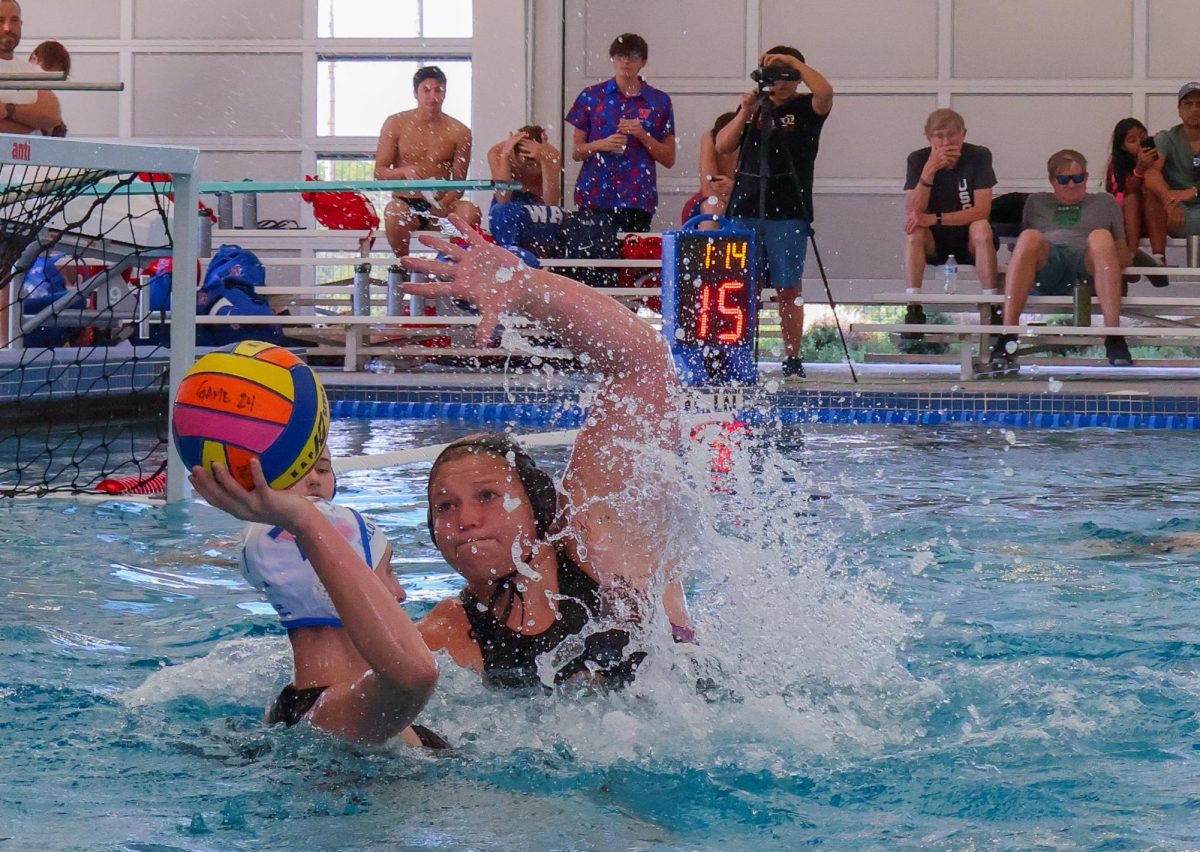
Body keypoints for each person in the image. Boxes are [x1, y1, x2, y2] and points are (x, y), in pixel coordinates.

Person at [401, 215, 693, 690]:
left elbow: (644, 362)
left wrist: (526, 288)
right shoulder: (442, 637)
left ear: (538, 508)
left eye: (488, 496)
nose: (465, 519)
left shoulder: (597, 543)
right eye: (445, 506)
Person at [189, 445, 441, 745]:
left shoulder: (294, 709)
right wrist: (304, 519)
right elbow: (415, 676)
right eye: (387, 571)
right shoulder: (339, 716)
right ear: (342, 586)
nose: (399, 593)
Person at [716, 45, 833, 380]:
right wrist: (744, 111)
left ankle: (793, 359)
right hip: (746, 208)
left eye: (787, 75)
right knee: (742, 287)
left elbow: (825, 91)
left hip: (789, 210)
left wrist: (794, 63)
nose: (780, 82)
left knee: (788, 289)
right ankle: (736, 355)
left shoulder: (807, 108)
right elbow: (723, 144)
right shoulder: (755, 108)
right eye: (774, 74)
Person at [988, 149, 1133, 372]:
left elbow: (1123, 250)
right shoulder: (1036, 202)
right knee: (1028, 237)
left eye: (1078, 178)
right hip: (1049, 263)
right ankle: (1007, 335)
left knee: (1101, 237)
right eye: (1064, 179)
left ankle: (1113, 335)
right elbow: (1027, 251)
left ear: (1086, 177)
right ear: (1052, 180)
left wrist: (1112, 265)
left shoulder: (1106, 202)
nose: (1071, 185)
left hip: (1088, 266)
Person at [566, 33, 676, 233]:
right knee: (594, 258)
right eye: (619, 56)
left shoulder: (659, 101)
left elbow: (669, 158)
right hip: (596, 193)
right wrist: (601, 144)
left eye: (633, 57)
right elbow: (576, 152)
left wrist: (642, 135)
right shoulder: (592, 96)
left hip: (637, 196)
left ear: (643, 62)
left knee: (633, 260)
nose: (625, 62)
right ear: (612, 59)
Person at [902, 109, 998, 335]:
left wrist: (934, 218)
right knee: (914, 231)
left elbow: (982, 210)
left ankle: (992, 305)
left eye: (952, 135)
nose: (946, 142)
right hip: (935, 240)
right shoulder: (917, 159)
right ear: (929, 138)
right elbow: (913, 212)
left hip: (969, 239)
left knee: (981, 227)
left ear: (963, 135)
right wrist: (929, 171)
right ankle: (913, 306)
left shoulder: (979, 156)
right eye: (939, 136)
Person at [374, 65, 480, 257]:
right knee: (394, 213)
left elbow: (459, 182)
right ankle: (403, 265)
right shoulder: (396, 124)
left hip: (442, 205)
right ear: (416, 93)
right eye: (426, 90)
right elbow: (379, 173)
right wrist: (403, 171)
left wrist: (443, 204)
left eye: (438, 90)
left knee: (470, 212)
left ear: (445, 93)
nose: (433, 96)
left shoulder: (459, 132)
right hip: (406, 204)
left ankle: (453, 263)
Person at [1105, 117, 1168, 284]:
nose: (1140, 142)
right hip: (1128, 219)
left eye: (1142, 136)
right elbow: (1119, 196)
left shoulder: (1161, 156)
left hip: (1156, 218)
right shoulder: (1117, 163)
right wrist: (1138, 170)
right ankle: (1131, 255)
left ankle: (1158, 258)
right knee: (1131, 199)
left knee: (1150, 192)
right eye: (1132, 140)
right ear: (1122, 146)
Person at [486, 125, 564, 256]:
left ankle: (544, 257)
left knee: (559, 216)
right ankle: (509, 253)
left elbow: (551, 203)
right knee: (500, 211)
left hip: (538, 207)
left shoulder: (551, 155)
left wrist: (545, 162)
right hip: (509, 207)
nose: (529, 168)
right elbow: (502, 198)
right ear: (514, 154)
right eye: (525, 162)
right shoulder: (497, 153)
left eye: (533, 163)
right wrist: (505, 159)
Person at [1143, 83, 1200, 250]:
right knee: (1153, 197)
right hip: (1176, 212)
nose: (1195, 109)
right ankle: (1159, 259)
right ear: (1179, 110)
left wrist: (1193, 191)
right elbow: (1152, 172)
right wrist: (1168, 198)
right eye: (1188, 104)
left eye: (1199, 104)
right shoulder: (1167, 138)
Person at [0, 1, 64, 136]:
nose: (7, 28)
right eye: (0, 21)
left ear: (21, 24)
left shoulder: (32, 72)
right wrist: (31, 123)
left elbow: (52, 117)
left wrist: (8, 109)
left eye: (14, 20)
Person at [682, 111, 738, 230]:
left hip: (744, 200)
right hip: (714, 201)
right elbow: (708, 188)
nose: (726, 152)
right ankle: (706, 244)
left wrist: (735, 189)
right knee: (713, 206)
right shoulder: (709, 138)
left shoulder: (753, 141)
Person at [29, 40, 68, 137]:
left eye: (54, 81)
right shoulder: (11, 88)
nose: (48, 85)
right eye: (46, 78)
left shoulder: (48, 99)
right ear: (34, 59)